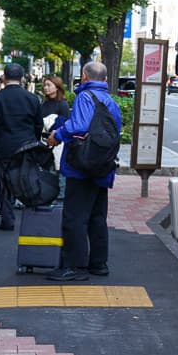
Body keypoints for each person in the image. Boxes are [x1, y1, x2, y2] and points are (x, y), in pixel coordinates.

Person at [45, 61, 121, 281]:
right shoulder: (110, 101)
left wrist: (57, 135)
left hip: (82, 166)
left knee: (75, 217)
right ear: (105, 80)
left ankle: (74, 267)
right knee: (97, 216)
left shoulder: (84, 97)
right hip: (103, 165)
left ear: (84, 77)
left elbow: (78, 126)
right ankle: (99, 264)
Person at [0, 63, 44, 230]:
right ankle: (33, 218)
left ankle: (7, 219)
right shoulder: (32, 99)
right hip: (27, 145)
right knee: (27, 180)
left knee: (5, 183)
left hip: (4, 146)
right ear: (22, 78)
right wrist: (35, 141)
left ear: (4, 77)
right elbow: (38, 125)